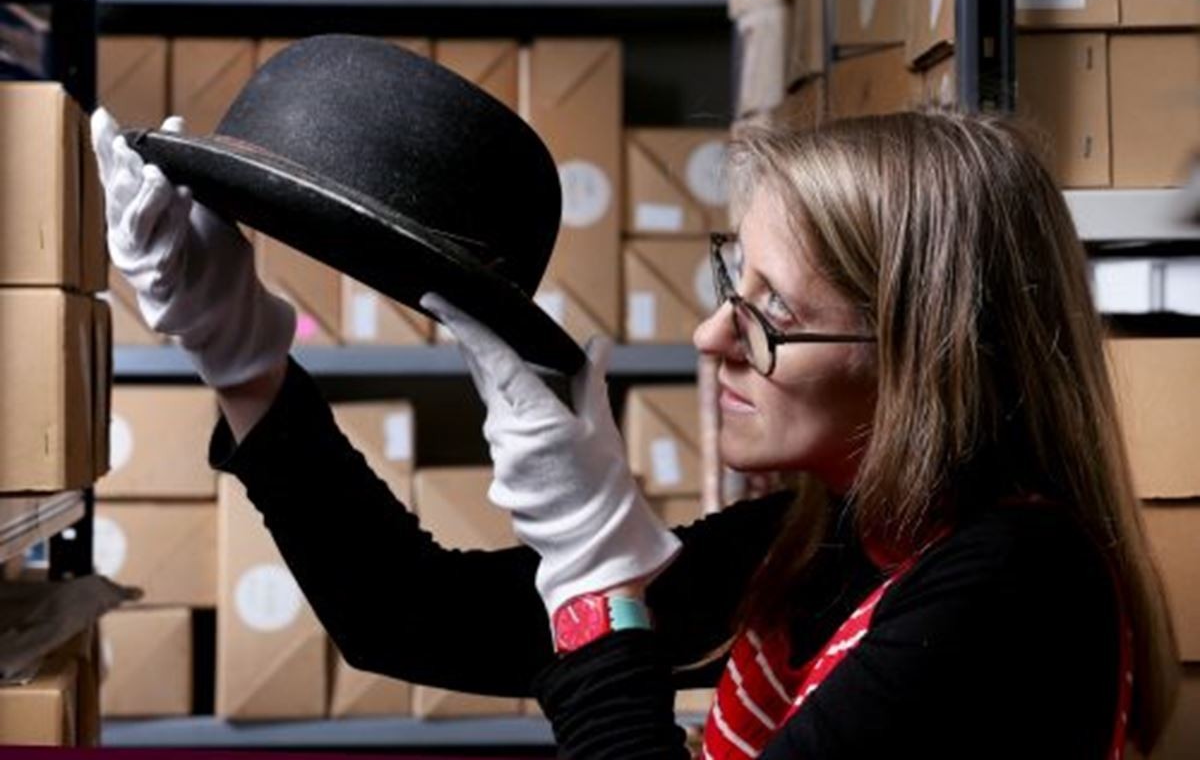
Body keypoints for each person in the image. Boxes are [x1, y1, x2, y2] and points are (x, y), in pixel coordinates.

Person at [92, 106, 1179, 759]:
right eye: (729, 282)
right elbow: (412, 618)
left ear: (933, 350)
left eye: (770, 316)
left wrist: (595, 571)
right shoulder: (831, 537)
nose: (713, 334)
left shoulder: (1017, 595)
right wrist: (241, 359)